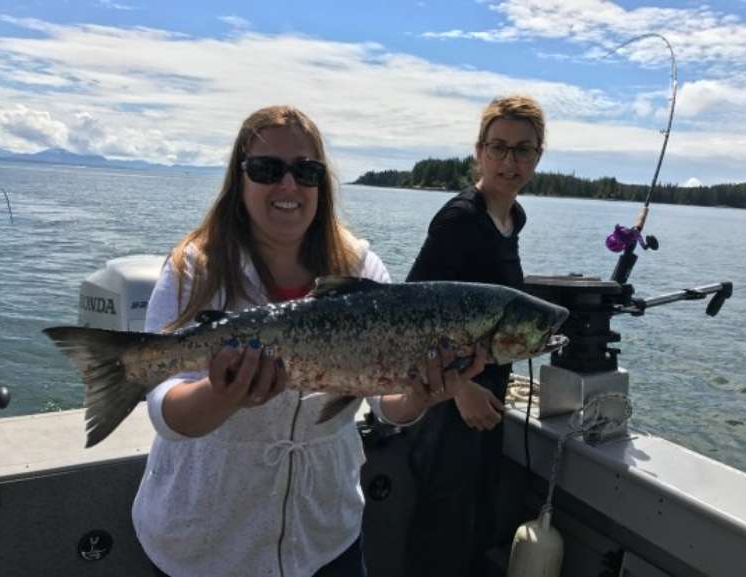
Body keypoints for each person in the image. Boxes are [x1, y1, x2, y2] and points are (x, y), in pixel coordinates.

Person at [131, 105, 486, 577]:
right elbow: (167, 413)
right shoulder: (195, 269)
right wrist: (222, 394)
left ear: (323, 183)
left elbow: (387, 406)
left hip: (324, 536)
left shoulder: (360, 267)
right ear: (239, 180)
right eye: (266, 169)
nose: (288, 186)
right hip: (205, 544)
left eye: (306, 171)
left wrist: (420, 394)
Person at [404, 94, 546, 577]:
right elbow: (407, 317)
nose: (509, 161)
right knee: (441, 530)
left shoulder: (513, 219)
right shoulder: (459, 219)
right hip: (446, 398)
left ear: (537, 157)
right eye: (499, 147)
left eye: (522, 150)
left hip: (489, 394)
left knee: (475, 523)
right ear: (479, 151)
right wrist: (458, 388)